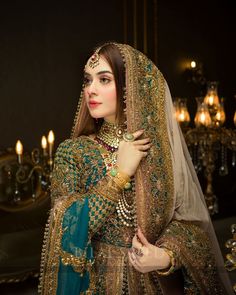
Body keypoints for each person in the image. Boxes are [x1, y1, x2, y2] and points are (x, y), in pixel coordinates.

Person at [39, 42, 233, 294]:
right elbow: (66, 226)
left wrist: (166, 257)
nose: (90, 90)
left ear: (132, 87)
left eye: (104, 80)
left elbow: (191, 227)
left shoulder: (158, 151)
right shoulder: (74, 152)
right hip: (98, 284)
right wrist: (120, 173)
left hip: (155, 284)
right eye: (87, 81)